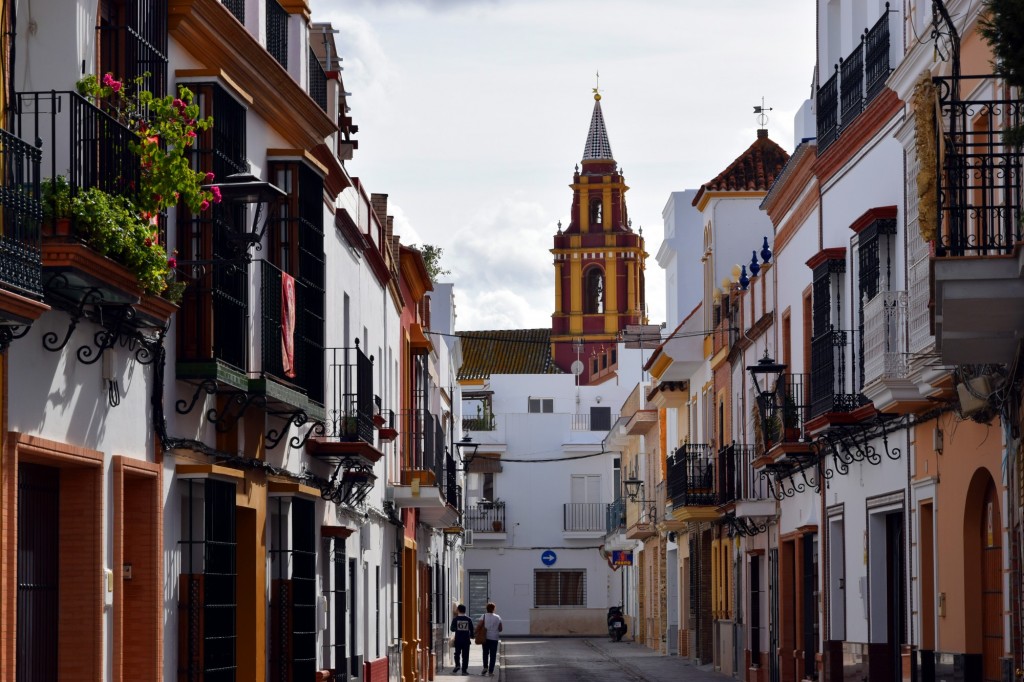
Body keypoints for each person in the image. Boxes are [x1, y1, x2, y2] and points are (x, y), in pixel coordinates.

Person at [478, 602, 502, 677]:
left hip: (485, 638)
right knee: (493, 655)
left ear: (486, 608)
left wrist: (475, 633)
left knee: (485, 653)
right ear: (494, 609)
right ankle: (491, 671)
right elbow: (500, 629)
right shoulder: (498, 617)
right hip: (494, 638)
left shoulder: (483, 616)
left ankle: (485, 667)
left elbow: (479, 625)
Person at [449, 604, 473, 675]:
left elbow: (452, 629)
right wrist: (472, 636)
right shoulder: (468, 619)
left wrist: (457, 629)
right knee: (465, 655)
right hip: (466, 640)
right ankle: (464, 670)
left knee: (457, 653)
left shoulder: (455, 619)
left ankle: (457, 665)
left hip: (458, 640)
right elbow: (472, 630)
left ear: (458, 610)